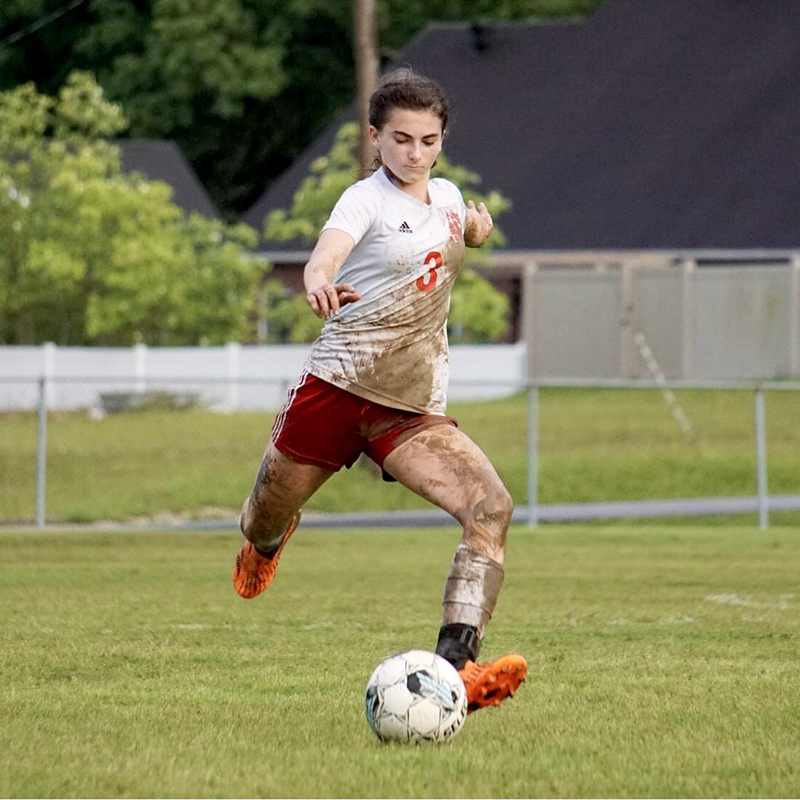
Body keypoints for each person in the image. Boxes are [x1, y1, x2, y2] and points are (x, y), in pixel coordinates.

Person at [233, 68, 527, 713]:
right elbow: (326, 253)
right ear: (375, 137)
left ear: (441, 140)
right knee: (263, 515)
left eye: (427, 140)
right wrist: (318, 279)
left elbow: (451, 238)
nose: (414, 153)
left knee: (492, 507)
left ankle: (457, 672)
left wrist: (473, 236)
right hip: (335, 393)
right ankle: (266, 544)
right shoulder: (363, 201)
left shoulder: (448, 198)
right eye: (400, 139)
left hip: (411, 411)